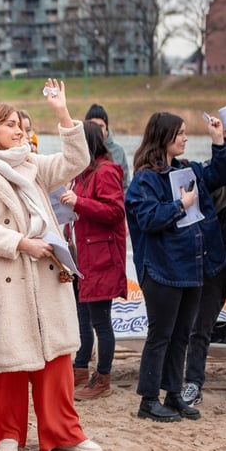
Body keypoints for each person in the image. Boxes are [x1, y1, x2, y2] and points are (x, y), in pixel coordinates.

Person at [0, 79, 102, 451]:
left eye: (23, 125)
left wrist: (62, 113)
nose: (21, 131)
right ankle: (7, 432)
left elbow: (75, 161)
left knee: (56, 357)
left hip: (44, 273)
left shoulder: (33, 165)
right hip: (3, 274)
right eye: (11, 125)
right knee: (10, 359)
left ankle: (64, 431)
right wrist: (21, 243)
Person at [125, 111, 226, 422]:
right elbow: (148, 218)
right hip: (161, 269)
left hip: (192, 268)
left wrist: (218, 142)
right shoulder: (145, 179)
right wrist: (180, 205)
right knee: (161, 335)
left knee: (182, 334)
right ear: (164, 137)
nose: (185, 138)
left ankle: (172, 394)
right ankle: (148, 400)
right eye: (180, 133)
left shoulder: (186, 170)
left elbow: (219, 174)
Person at [59, 121, 127, 399]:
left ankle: (103, 378)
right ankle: (80, 369)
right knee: (83, 318)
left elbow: (115, 212)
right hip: (82, 258)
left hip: (100, 259)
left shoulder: (106, 171)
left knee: (101, 321)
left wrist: (78, 202)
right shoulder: (82, 174)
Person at [181, 184, 226, 406]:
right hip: (216, 256)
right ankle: (193, 382)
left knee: (200, 327)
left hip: (215, 255)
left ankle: (193, 383)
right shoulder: (214, 174)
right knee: (200, 325)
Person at [85, 104, 130, 190]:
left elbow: (126, 185)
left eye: (101, 126)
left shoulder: (118, 151)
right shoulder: (78, 151)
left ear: (106, 129)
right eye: (94, 125)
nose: (97, 130)